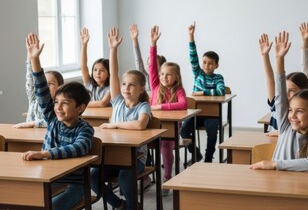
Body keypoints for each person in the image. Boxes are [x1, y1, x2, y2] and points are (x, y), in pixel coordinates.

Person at [22, 33, 94, 210]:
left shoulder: (84, 129)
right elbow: (41, 89)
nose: (58, 107)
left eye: (65, 103)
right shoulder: (52, 119)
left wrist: (44, 154)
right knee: (20, 200)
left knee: (50, 207)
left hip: (73, 186)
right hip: (47, 178)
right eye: (56, 102)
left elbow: (78, 148)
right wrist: (34, 60)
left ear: (80, 108)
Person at [250, 31, 308, 171]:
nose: (292, 116)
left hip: (299, 189)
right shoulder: (285, 127)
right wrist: (279, 58)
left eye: (299, 111)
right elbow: (280, 94)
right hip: (277, 186)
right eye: (290, 110)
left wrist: (275, 164)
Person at [91, 28, 151, 210]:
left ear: (141, 89)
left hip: (136, 158)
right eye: (124, 84)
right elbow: (114, 73)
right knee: (93, 175)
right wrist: (113, 49)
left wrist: (114, 124)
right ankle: (119, 204)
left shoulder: (143, 106)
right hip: (112, 155)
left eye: (132, 85)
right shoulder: (117, 100)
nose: (126, 88)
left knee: (126, 176)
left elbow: (140, 125)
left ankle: (133, 207)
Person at [148, 25, 187, 194]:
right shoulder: (156, 85)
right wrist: (152, 44)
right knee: (142, 146)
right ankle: (144, 176)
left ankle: (167, 177)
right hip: (153, 125)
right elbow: (152, 68)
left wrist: (160, 106)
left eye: (168, 75)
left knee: (165, 147)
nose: (164, 77)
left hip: (170, 128)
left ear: (176, 77)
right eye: (162, 74)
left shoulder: (178, 90)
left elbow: (183, 104)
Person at [180, 21, 225, 163]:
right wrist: (191, 37)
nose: (206, 65)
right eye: (204, 62)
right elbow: (193, 56)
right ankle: (195, 152)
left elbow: (221, 91)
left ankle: (208, 157)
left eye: (210, 63)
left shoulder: (218, 77)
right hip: (196, 111)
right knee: (184, 131)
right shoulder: (198, 73)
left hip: (211, 113)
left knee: (212, 132)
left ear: (216, 65)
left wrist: (202, 93)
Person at [259, 33, 308, 137]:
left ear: (303, 92)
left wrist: (281, 133)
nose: (286, 94)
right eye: (284, 90)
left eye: (292, 91)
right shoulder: (276, 105)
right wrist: (265, 55)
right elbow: (270, 81)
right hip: (273, 146)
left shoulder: (303, 113)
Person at [13, 49, 64, 128]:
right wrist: (30, 53)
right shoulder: (34, 99)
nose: (46, 86)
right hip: (29, 137)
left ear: (60, 87)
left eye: (51, 83)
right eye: (44, 83)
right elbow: (29, 77)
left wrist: (32, 123)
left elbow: (56, 121)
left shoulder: (59, 105)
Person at [130, 23, 167, 92]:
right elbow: (138, 61)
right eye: (148, 64)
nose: (150, 66)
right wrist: (135, 39)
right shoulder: (145, 77)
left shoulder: (164, 80)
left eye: (153, 64)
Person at [80, 28, 111, 107]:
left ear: (109, 73)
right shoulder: (89, 84)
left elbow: (102, 103)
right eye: (95, 70)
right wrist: (84, 45)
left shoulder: (111, 88)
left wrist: (81, 105)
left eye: (102, 70)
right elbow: (83, 66)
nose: (97, 73)